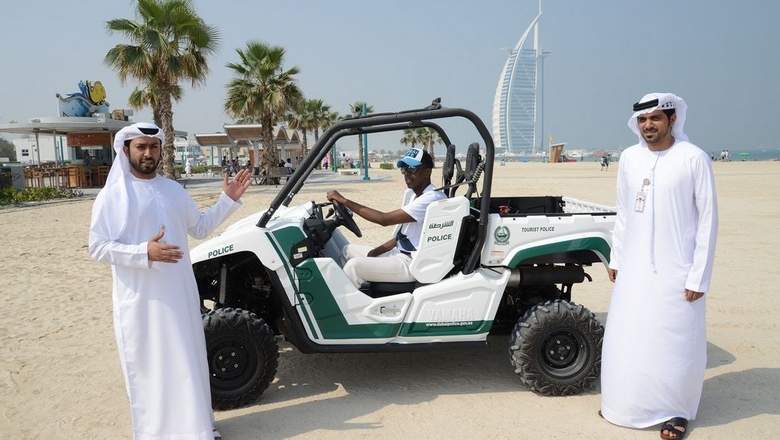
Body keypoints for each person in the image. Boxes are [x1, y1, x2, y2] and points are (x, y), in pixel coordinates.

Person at [88, 122, 251, 440]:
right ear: (126, 150)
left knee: (185, 360)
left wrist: (227, 200)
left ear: (161, 150)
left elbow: (200, 227)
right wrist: (144, 252)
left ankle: (198, 429)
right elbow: (97, 247)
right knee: (152, 366)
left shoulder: (174, 190)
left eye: (153, 146)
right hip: (141, 301)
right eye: (141, 147)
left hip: (179, 295)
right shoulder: (112, 196)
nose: (148, 153)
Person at [600, 93, 718, 440]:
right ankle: (625, 405)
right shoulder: (629, 159)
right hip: (633, 269)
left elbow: (708, 220)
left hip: (677, 270)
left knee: (674, 344)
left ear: (671, 120)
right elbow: (622, 211)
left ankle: (676, 412)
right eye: (642, 120)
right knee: (631, 337)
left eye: (655, 118)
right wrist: (617, 258)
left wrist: (699, 275)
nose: (648, 125)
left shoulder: (693, 158)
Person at [326, 148, 446, 288]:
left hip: (411, 263)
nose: (406, 174)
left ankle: (344, 307)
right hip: (399, 253)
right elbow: (402, 236)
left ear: (427, 171)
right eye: (404, 169)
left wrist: (344, 201)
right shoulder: (416, 195)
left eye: (412, 169)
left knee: (354, 267)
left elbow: (384, 219)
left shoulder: (430, 199)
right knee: (347, 250)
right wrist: (376, 251)